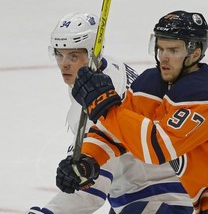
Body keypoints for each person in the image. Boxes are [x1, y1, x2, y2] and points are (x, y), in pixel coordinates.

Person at [58, 10, 208, 213]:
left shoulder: (206, 92)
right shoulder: (153, 82)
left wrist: (105, 106)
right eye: (161, 48)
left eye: (173, 50)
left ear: (195, 53)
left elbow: (156, 147)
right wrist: (88, 161)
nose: (164, 57)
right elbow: (114, 134)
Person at [27, 12, 194, 214]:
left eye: (73, 55)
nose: (64, 64)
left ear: (91, 53)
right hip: (149, 194)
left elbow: (90, 193)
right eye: (58, 54)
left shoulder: (105, 99)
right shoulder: (102, 72)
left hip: (157, 199)